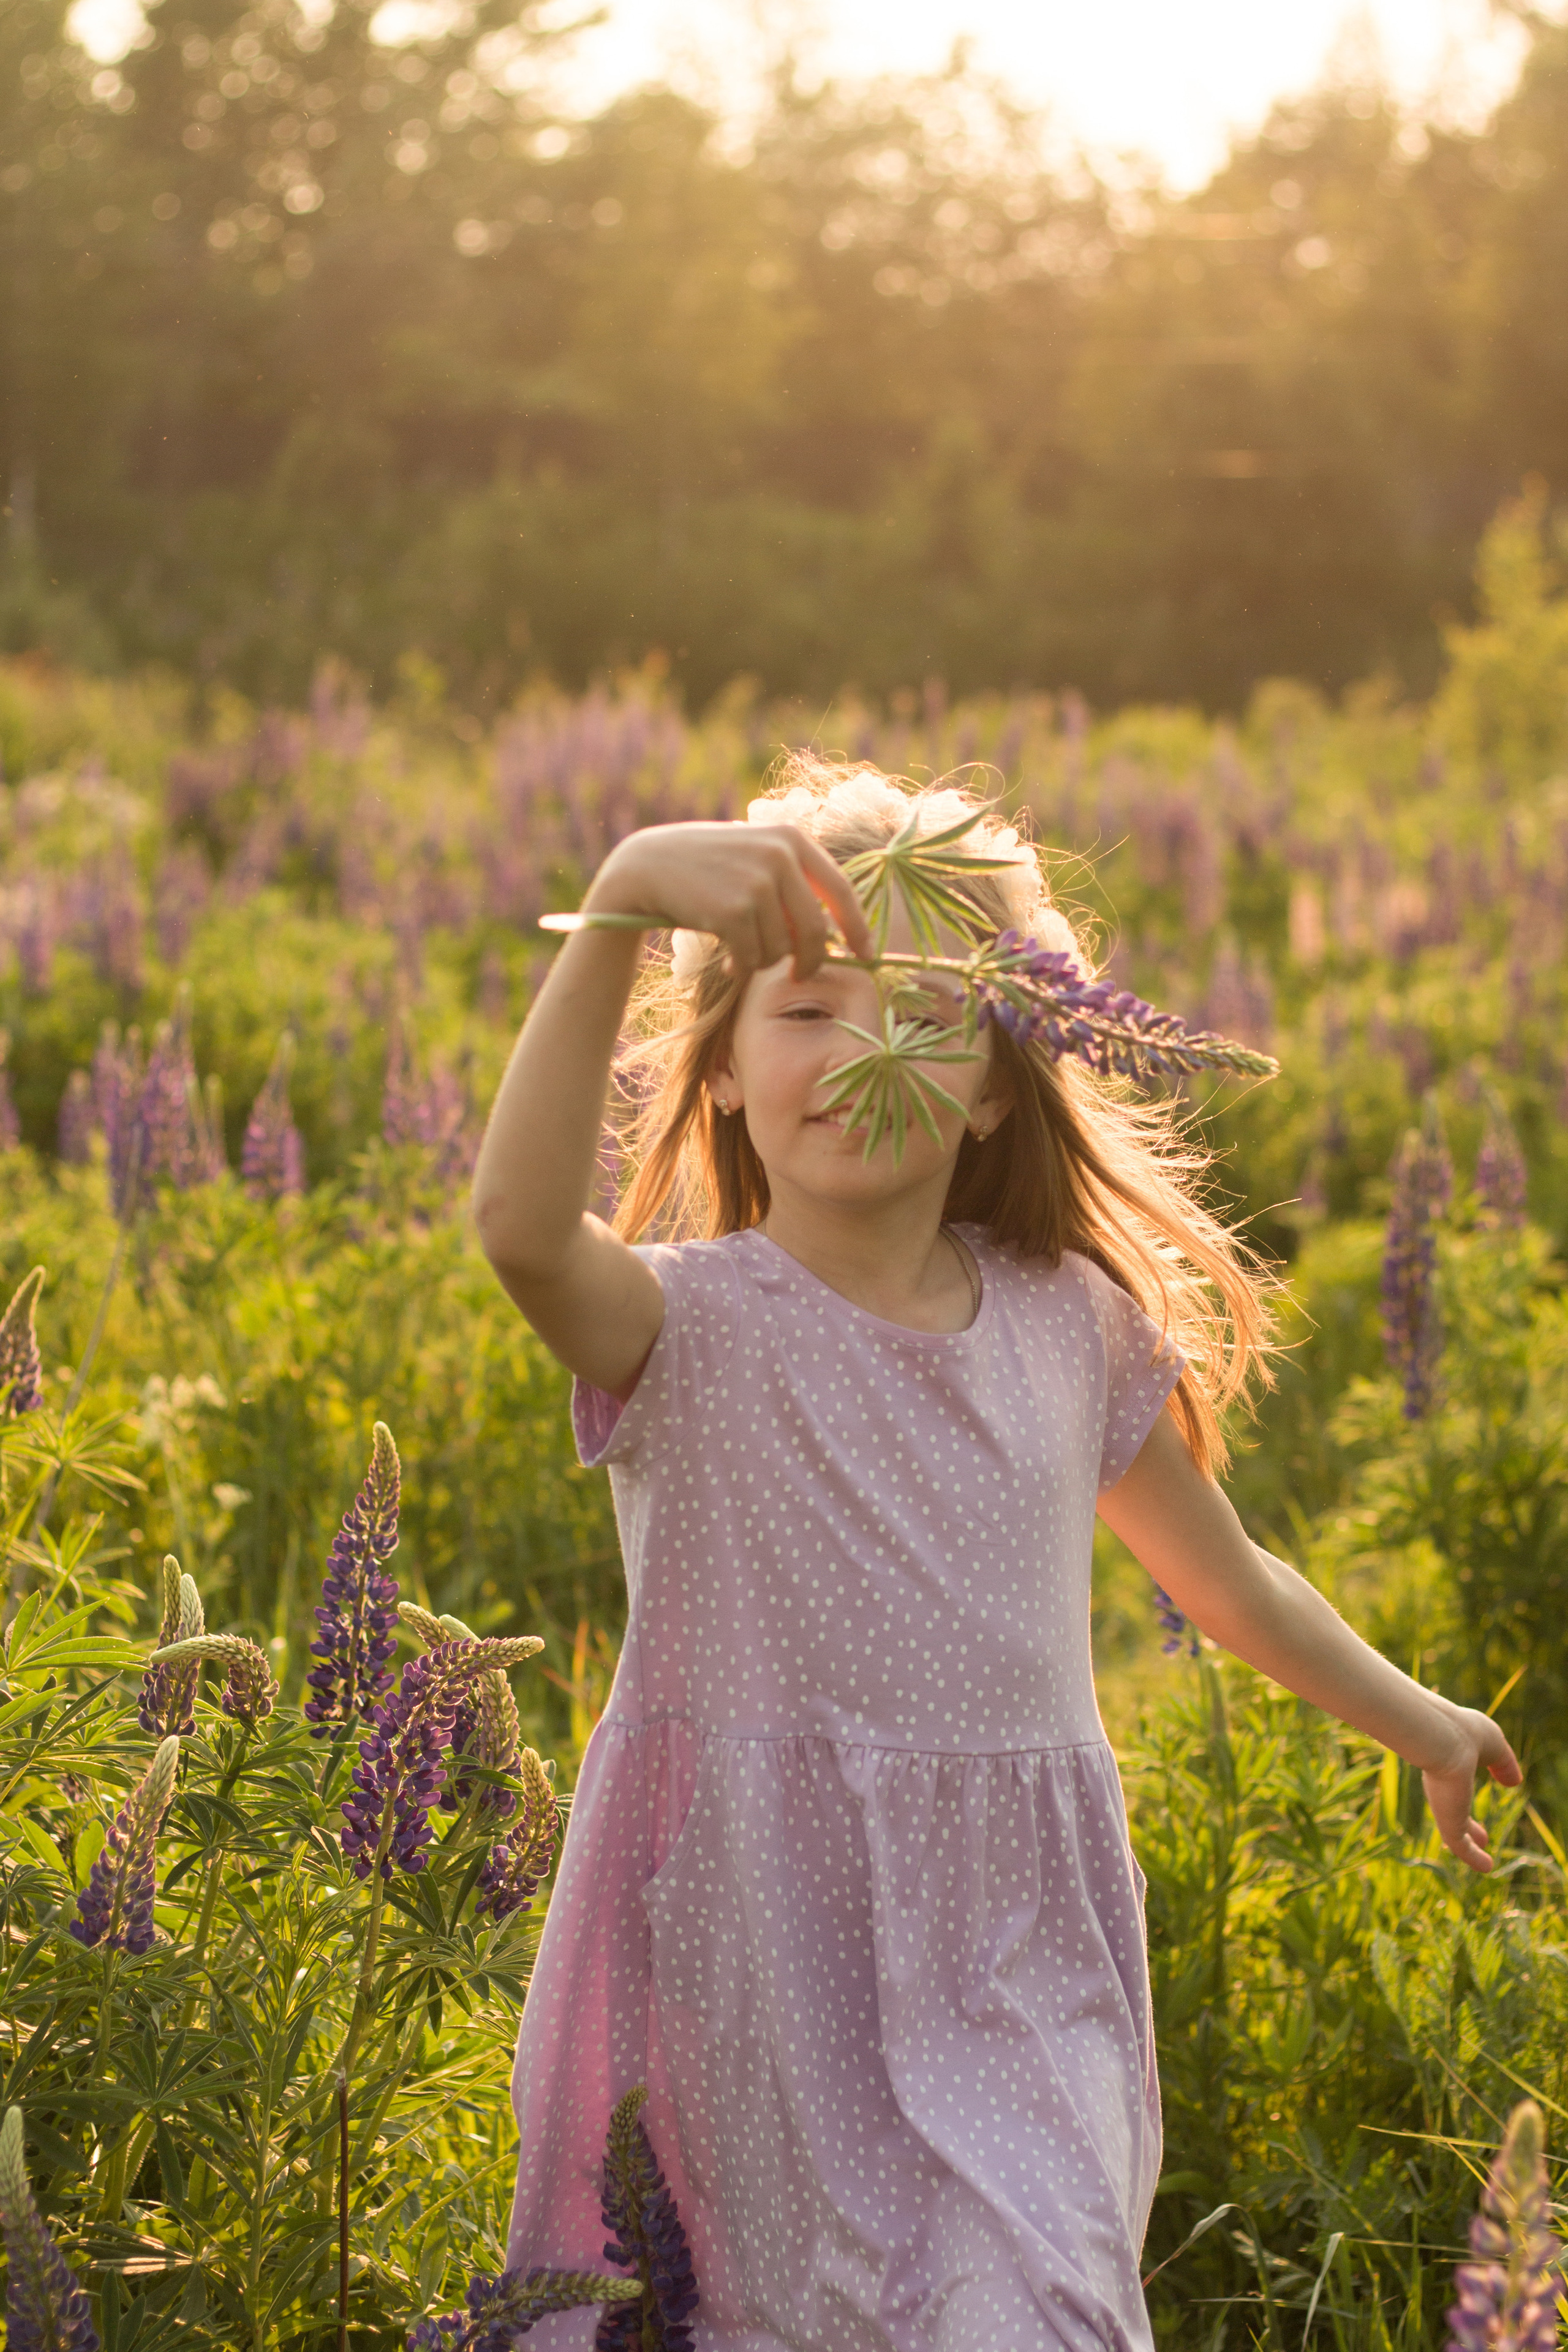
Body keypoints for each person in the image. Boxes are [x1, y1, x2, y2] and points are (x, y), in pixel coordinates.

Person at [471, 758, 1520, 2352]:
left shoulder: (1069, 1331)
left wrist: (1419, 1720)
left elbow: (1226, 1581)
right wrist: (621, 903)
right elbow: (523, 1231)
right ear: (727, 1075)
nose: (862, 1051)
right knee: (781, 2319)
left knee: (1034, 2307)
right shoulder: (685, 1328)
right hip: (768, 1953)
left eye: (924, 1013)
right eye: (808, 1011)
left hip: (1018, 1951)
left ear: (995, 1085)